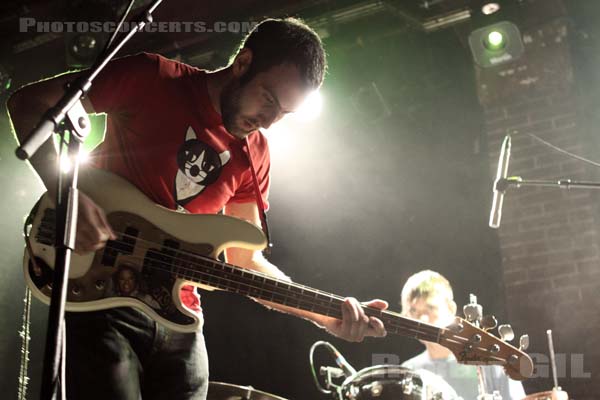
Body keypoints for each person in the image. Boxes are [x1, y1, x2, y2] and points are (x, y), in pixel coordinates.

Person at [8, 18, 389, 400]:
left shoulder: (255, 153)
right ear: (243, 63)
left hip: (180, 317)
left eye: (284, 114)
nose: (269, 122)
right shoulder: (153, 77)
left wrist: (326, 315)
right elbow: (27, 103)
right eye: (269, 100)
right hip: (103, 292)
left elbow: (244, 260)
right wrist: (66, 195)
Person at [400, 270, 526, 400]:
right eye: (413, 311)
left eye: (430, 308)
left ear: (451, 308)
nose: (423, 319)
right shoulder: (408, 372)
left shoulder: (491, 358)